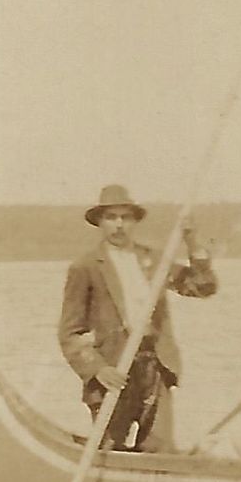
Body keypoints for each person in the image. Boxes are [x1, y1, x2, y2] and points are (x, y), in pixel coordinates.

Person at [57, 184, 218, 452]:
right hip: (114, 371)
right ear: (100, 222)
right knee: (108, 448)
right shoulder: (85, 267)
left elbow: (203, 287)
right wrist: (98, 369)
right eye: (111, 217)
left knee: (160, 450)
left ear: (134, 221)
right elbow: (70, 334)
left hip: (154, 366)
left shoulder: (153, 260)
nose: (119, 224)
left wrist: (191, 240)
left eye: (125, 217)